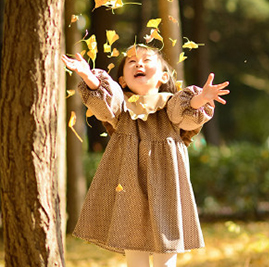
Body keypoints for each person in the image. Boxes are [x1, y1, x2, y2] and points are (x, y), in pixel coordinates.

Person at [61, 44, 230, 267]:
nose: (139, 63)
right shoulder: (122, 110)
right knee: (134, 247)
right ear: (122, 80)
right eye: (131, 61)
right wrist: (88, 76)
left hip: (167, 184)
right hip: (129, 183)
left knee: (166, 247)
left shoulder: (171, 105)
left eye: (147, 60)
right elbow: (106, 102)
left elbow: (185, 115)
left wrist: (201, 98)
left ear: (162, 76)